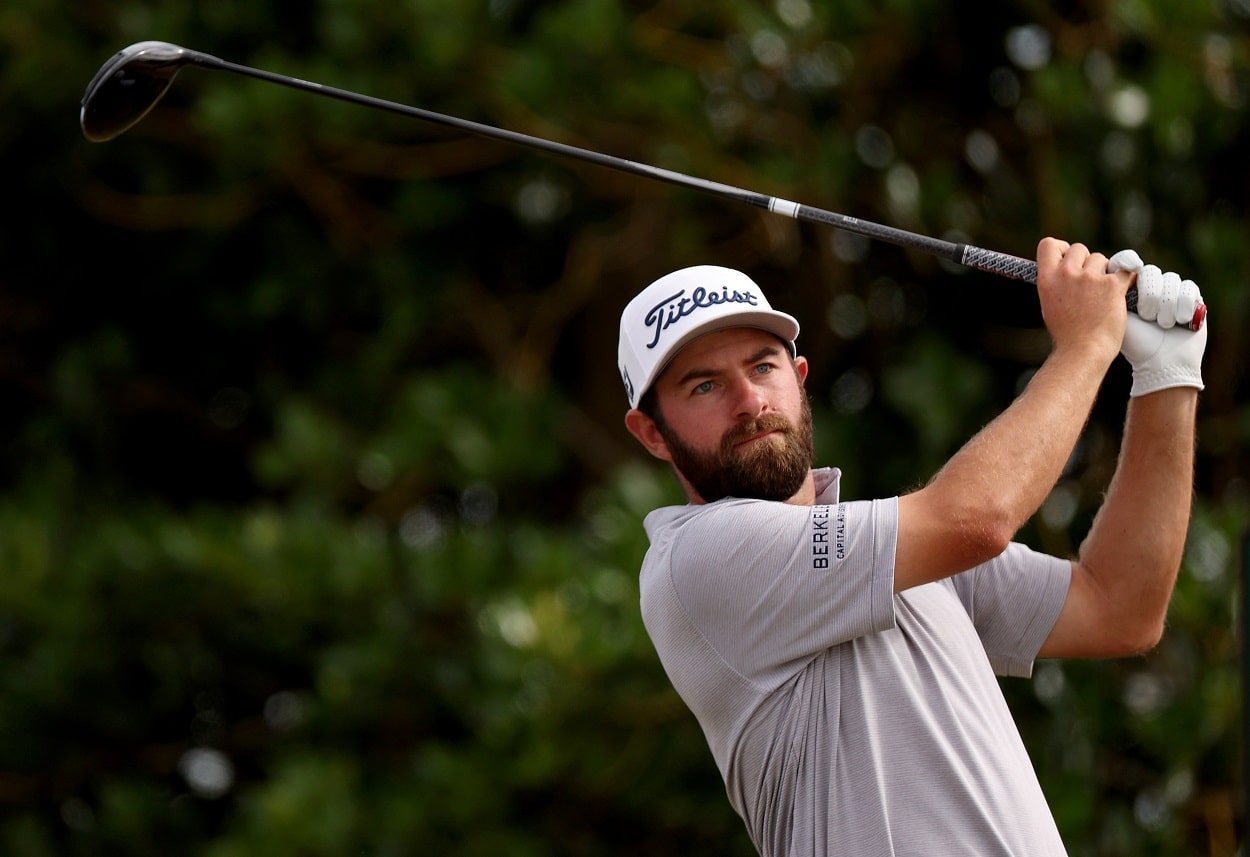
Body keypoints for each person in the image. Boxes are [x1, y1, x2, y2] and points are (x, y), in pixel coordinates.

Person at [616, 239, 1207, 857]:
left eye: (762, 367)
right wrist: (1088, 344)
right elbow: (974, 519)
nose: (750, 402)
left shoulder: (903, 554)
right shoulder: (699, 559)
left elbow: (1119, 607)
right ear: (652, 433)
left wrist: (1167, 378)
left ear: (798, 378)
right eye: (705, 387)